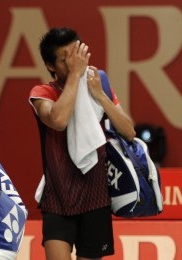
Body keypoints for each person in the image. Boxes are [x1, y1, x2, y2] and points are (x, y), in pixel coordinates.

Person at [29, 28, 136, 260]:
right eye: (66, 59)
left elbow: (128, 131)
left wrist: (100, 95)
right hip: (58, 199)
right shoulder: (43, 93)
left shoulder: (98, 83)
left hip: (95, 196)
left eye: (77, 54)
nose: (75, 63)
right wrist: (76, 77)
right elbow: (57, 120)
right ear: (50, 66)